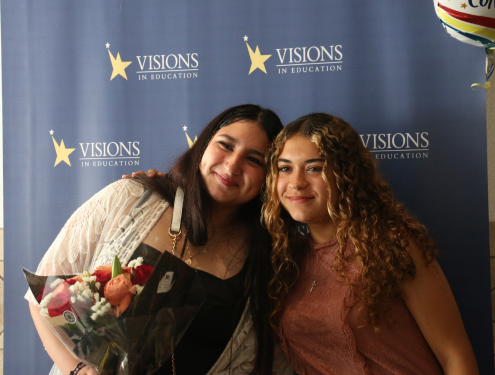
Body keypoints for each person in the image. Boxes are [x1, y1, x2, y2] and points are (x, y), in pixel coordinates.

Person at [26, 104, 292, 375]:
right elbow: (43, 297)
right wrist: (79, 370)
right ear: (202, 146)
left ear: (270, 175)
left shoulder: (270, 252)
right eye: (225, 145)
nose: (233, 165)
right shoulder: (130, 198)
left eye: (254, 160)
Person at [262, 113, 479, 375]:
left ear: (345, 174)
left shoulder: (391, 245)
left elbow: (455, 356)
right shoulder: (287, 258)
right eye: (285, 168)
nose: (296, 183)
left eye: (314, 168)